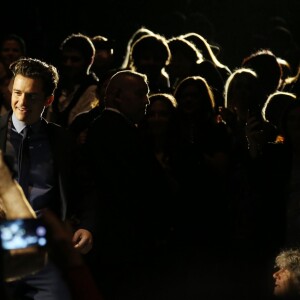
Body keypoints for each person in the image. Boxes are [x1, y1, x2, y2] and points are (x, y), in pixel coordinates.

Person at [0, 57, 93, 300]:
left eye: (32, 96)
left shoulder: (62, 141)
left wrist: (86, 226)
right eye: (17, 93)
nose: (22, 102)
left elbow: (85, 190)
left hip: (48, 246)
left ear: (48, 100)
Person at [83, 69, 174, 300]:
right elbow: (130, 186)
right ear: (116, 96)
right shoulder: (116, 131)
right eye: (140, 94)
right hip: (123, 242)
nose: (146, 101)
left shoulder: (109, 128)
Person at [46, 32, 99, 128]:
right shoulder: (57, 87)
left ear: (89, 61)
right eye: (65, 59)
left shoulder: (93, 90)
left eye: (75, 59)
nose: (68, 64)